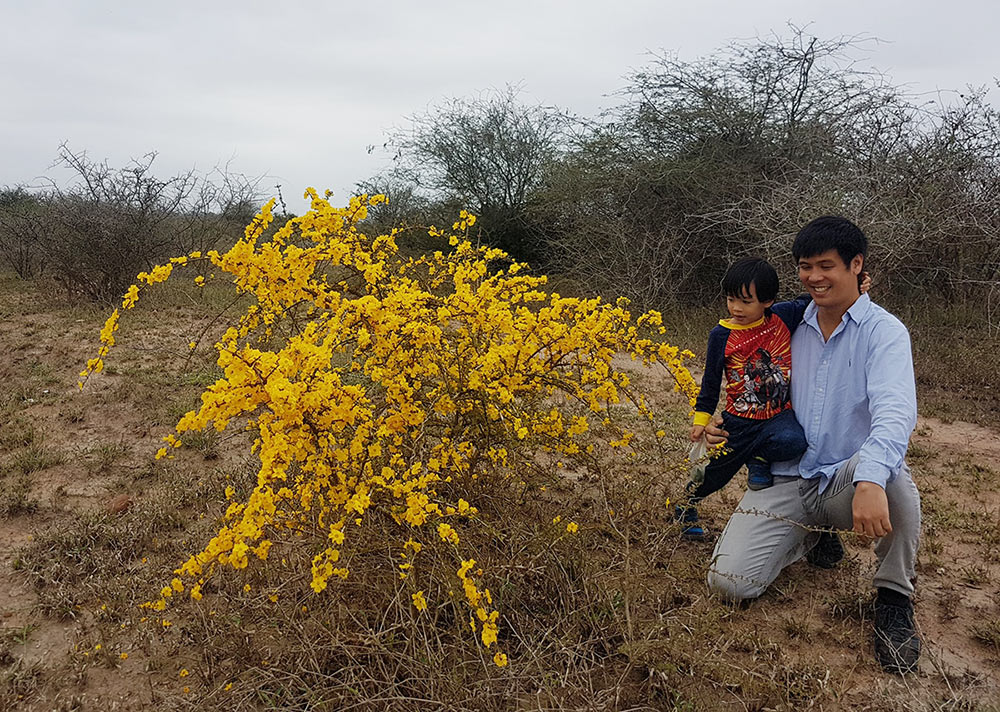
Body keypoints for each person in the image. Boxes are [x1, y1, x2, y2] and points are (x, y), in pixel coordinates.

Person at [704, 216, 922, 675]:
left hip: (845, 477)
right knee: (730, 583)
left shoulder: (884, 332)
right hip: (787, 475)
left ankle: (894, 597)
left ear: (857, 265)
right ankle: (811, 536)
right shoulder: (784, 321)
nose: (815, 277)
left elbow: (895, 412)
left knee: (891, 474)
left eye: (827, 265)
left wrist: (869, 478)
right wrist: (726, 420)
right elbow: (748, 379)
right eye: (806, 266)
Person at [676, 258, 811, 540]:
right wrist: (701, 420)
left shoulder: (783, 317)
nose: (736, 308)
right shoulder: (721, 335)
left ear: (768, 300)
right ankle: (685, 505)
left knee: (794, 441)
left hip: (777, 415)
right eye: (731, 299)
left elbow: (814, 297)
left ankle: (758, 457)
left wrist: (859, 286)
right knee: (715, 473)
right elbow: (711, 383)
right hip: (738, 419)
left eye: (745, 301)